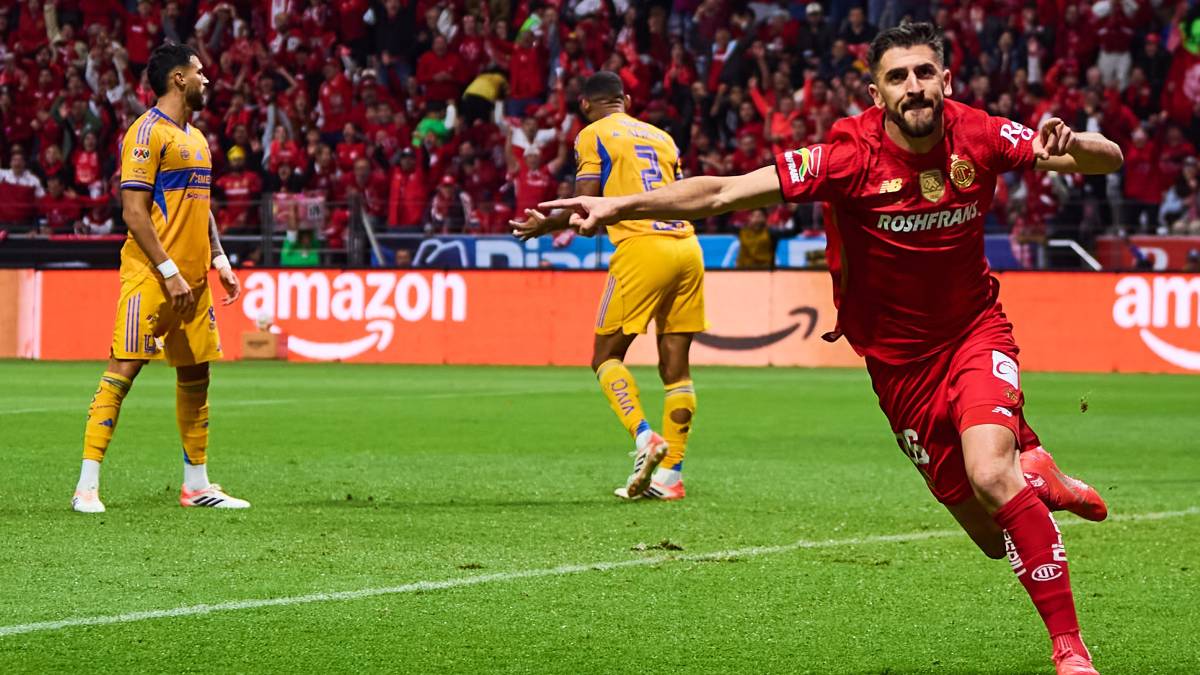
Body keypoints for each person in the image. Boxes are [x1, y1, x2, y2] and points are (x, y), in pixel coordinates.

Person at [541, 25, 1120, 675]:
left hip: (973, 333)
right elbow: (724, 191)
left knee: (991, 472)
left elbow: (1108, 159)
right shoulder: (848, 155)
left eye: (925, 73)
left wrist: (1074, 144)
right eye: (897, 77)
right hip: (898, 369)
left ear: (947, 81)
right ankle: (1038, 474)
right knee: (991, 536)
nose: (914, 87)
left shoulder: (982, 133)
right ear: (876, 92)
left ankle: (1070, 649)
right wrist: (615, 206)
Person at [71, 43, 249, 514]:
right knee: (123, 369)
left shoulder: (197, 138)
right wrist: (168, 271)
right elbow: (133, 211)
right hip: (151, 276)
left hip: (192, 279)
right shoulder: (145, 133)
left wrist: (220, 259)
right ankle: (86, 486)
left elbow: (201, 206)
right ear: (178, 79)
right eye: (199, 71)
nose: (207, 79)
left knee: (197, 374)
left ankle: (196, 485)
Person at [511, 71, 703, 502]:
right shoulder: (663, 138)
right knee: (677, 369)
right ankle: (671, 478)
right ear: (627, 100)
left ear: (585, 105)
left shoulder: (592, 134)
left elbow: (586, 203)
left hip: (642, 248)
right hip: (687, 246)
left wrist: (549, 225)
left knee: (605, 356)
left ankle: (643, 437)